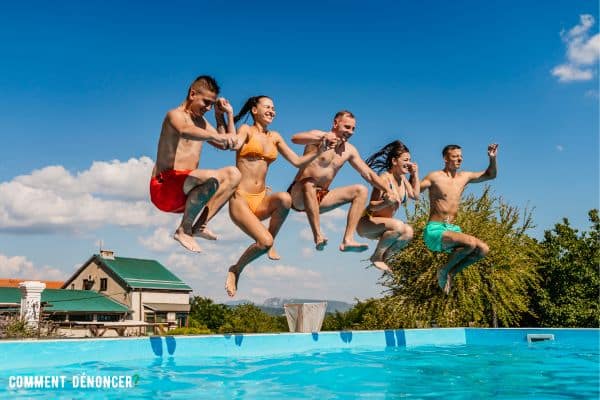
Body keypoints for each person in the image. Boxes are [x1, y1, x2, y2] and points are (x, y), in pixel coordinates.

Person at [225, 96, 328, 297]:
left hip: (261, 198)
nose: (272, 111)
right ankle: (236, 269)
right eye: (267, 107)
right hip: (241, 199)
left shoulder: (275, 137)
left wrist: (319, 150)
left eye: (274, 108)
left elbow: (298, 161)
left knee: (285, 198)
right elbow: (236, 145)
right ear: (254, 110)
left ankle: (271, 239)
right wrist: (229, 115)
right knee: (264, 243)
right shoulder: (246, 130)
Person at [150, 75, 241, 253]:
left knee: (234, 174)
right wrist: (215, 135)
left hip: (188, 194)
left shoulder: (202, 122)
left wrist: (224, 115)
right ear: (192, 94)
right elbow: (185, 131)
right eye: (206, 102)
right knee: (211, 177)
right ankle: (184, 230)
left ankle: (199, 225)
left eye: (211, 104)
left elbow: (230, 144)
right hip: (165, 188)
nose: (207, 108)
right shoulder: (174, 115)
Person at [288, 110, 399, 253]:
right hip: (299, 195)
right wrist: (323, 137)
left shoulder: (349, 150)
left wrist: (389, 191)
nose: (351, 132)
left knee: (361, 190)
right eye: (347, 127)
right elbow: (295, 138)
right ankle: (318, 235)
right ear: (335, 123)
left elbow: (369, 174)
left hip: (321, 197)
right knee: (309, 182)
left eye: (353, 129)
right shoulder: (319, 137)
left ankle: (348, 240)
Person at [420, 143, 499, 294]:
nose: (459, 159)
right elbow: (415, 190)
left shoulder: (464, 177)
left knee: (483, 249)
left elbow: (491, 175)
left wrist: (492, 159)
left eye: (461, 156)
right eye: (455, 156)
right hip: (435, 230)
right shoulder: (435, 177)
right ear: (445, 158)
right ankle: (443, 271)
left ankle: (451, 273)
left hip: (452, 230)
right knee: (469, 242)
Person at [357, 140, 420, 272]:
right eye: (405, 160)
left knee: (408, 232)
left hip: (385, 227)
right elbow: (372, 206)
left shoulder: (402, 179)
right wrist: (385, 202)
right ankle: (377, 257)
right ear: (394, 161)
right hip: (367, 222)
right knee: (398, 225)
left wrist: (415, 174)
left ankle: (385, 257)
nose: (409, 163)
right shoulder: (385, 178)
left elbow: (415, 195)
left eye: (410, 160)